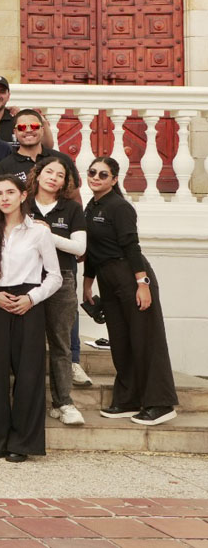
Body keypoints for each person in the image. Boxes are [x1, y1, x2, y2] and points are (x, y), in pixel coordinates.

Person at [0, 175, 62, 461]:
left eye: (10, 192)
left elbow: (56, 276)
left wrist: (31, 298)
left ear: (23, 195)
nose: (4, 198)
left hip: (28, 303)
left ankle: (22, 444)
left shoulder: (39, 232)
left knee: (29, 374)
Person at [83, 156, 178, 426]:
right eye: (92, 172)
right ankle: (128, 399)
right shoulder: (92, 205)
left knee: (146, 341)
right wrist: (88, 282)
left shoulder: (119, 207)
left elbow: (131, 247)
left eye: (103, 175)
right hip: (107, 279)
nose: (96, 178)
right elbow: (92, 248)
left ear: (114, 180)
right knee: (122, 342)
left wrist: (143, 285)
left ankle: (160, 403)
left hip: (130, 276)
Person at [27, 158, 88, 427]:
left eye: (60, 174)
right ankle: (28, 403)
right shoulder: (23, 203)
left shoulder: (71, 208)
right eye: (48, 171)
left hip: (62, 280)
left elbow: (79, 249)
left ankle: (63, 403)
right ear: (38, 175)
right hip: (26, 279)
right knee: (27, 345)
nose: (53, 177)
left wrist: (46, 234)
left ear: (65, 182)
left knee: (61, 344)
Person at [0, 109, 81, 188]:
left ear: (42, 129)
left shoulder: (62, 159)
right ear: (15, 132)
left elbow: (74, 196)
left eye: (34, 126)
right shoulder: (4, 167)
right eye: (22, 127)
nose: (28, 130)